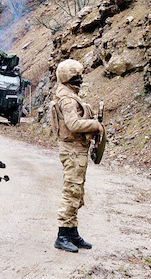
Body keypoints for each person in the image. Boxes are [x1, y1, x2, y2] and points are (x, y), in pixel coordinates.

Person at [51, 59, 104, 253]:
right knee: (71, 191)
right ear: (70, 77)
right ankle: (62, 235)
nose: (81, 78)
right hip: (72, 149)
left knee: (77, 191)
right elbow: (73, 124)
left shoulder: (69, 94)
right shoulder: (67, 99)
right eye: (78, 76)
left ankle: (72, 232)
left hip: (76, 149)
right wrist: (94, 125)